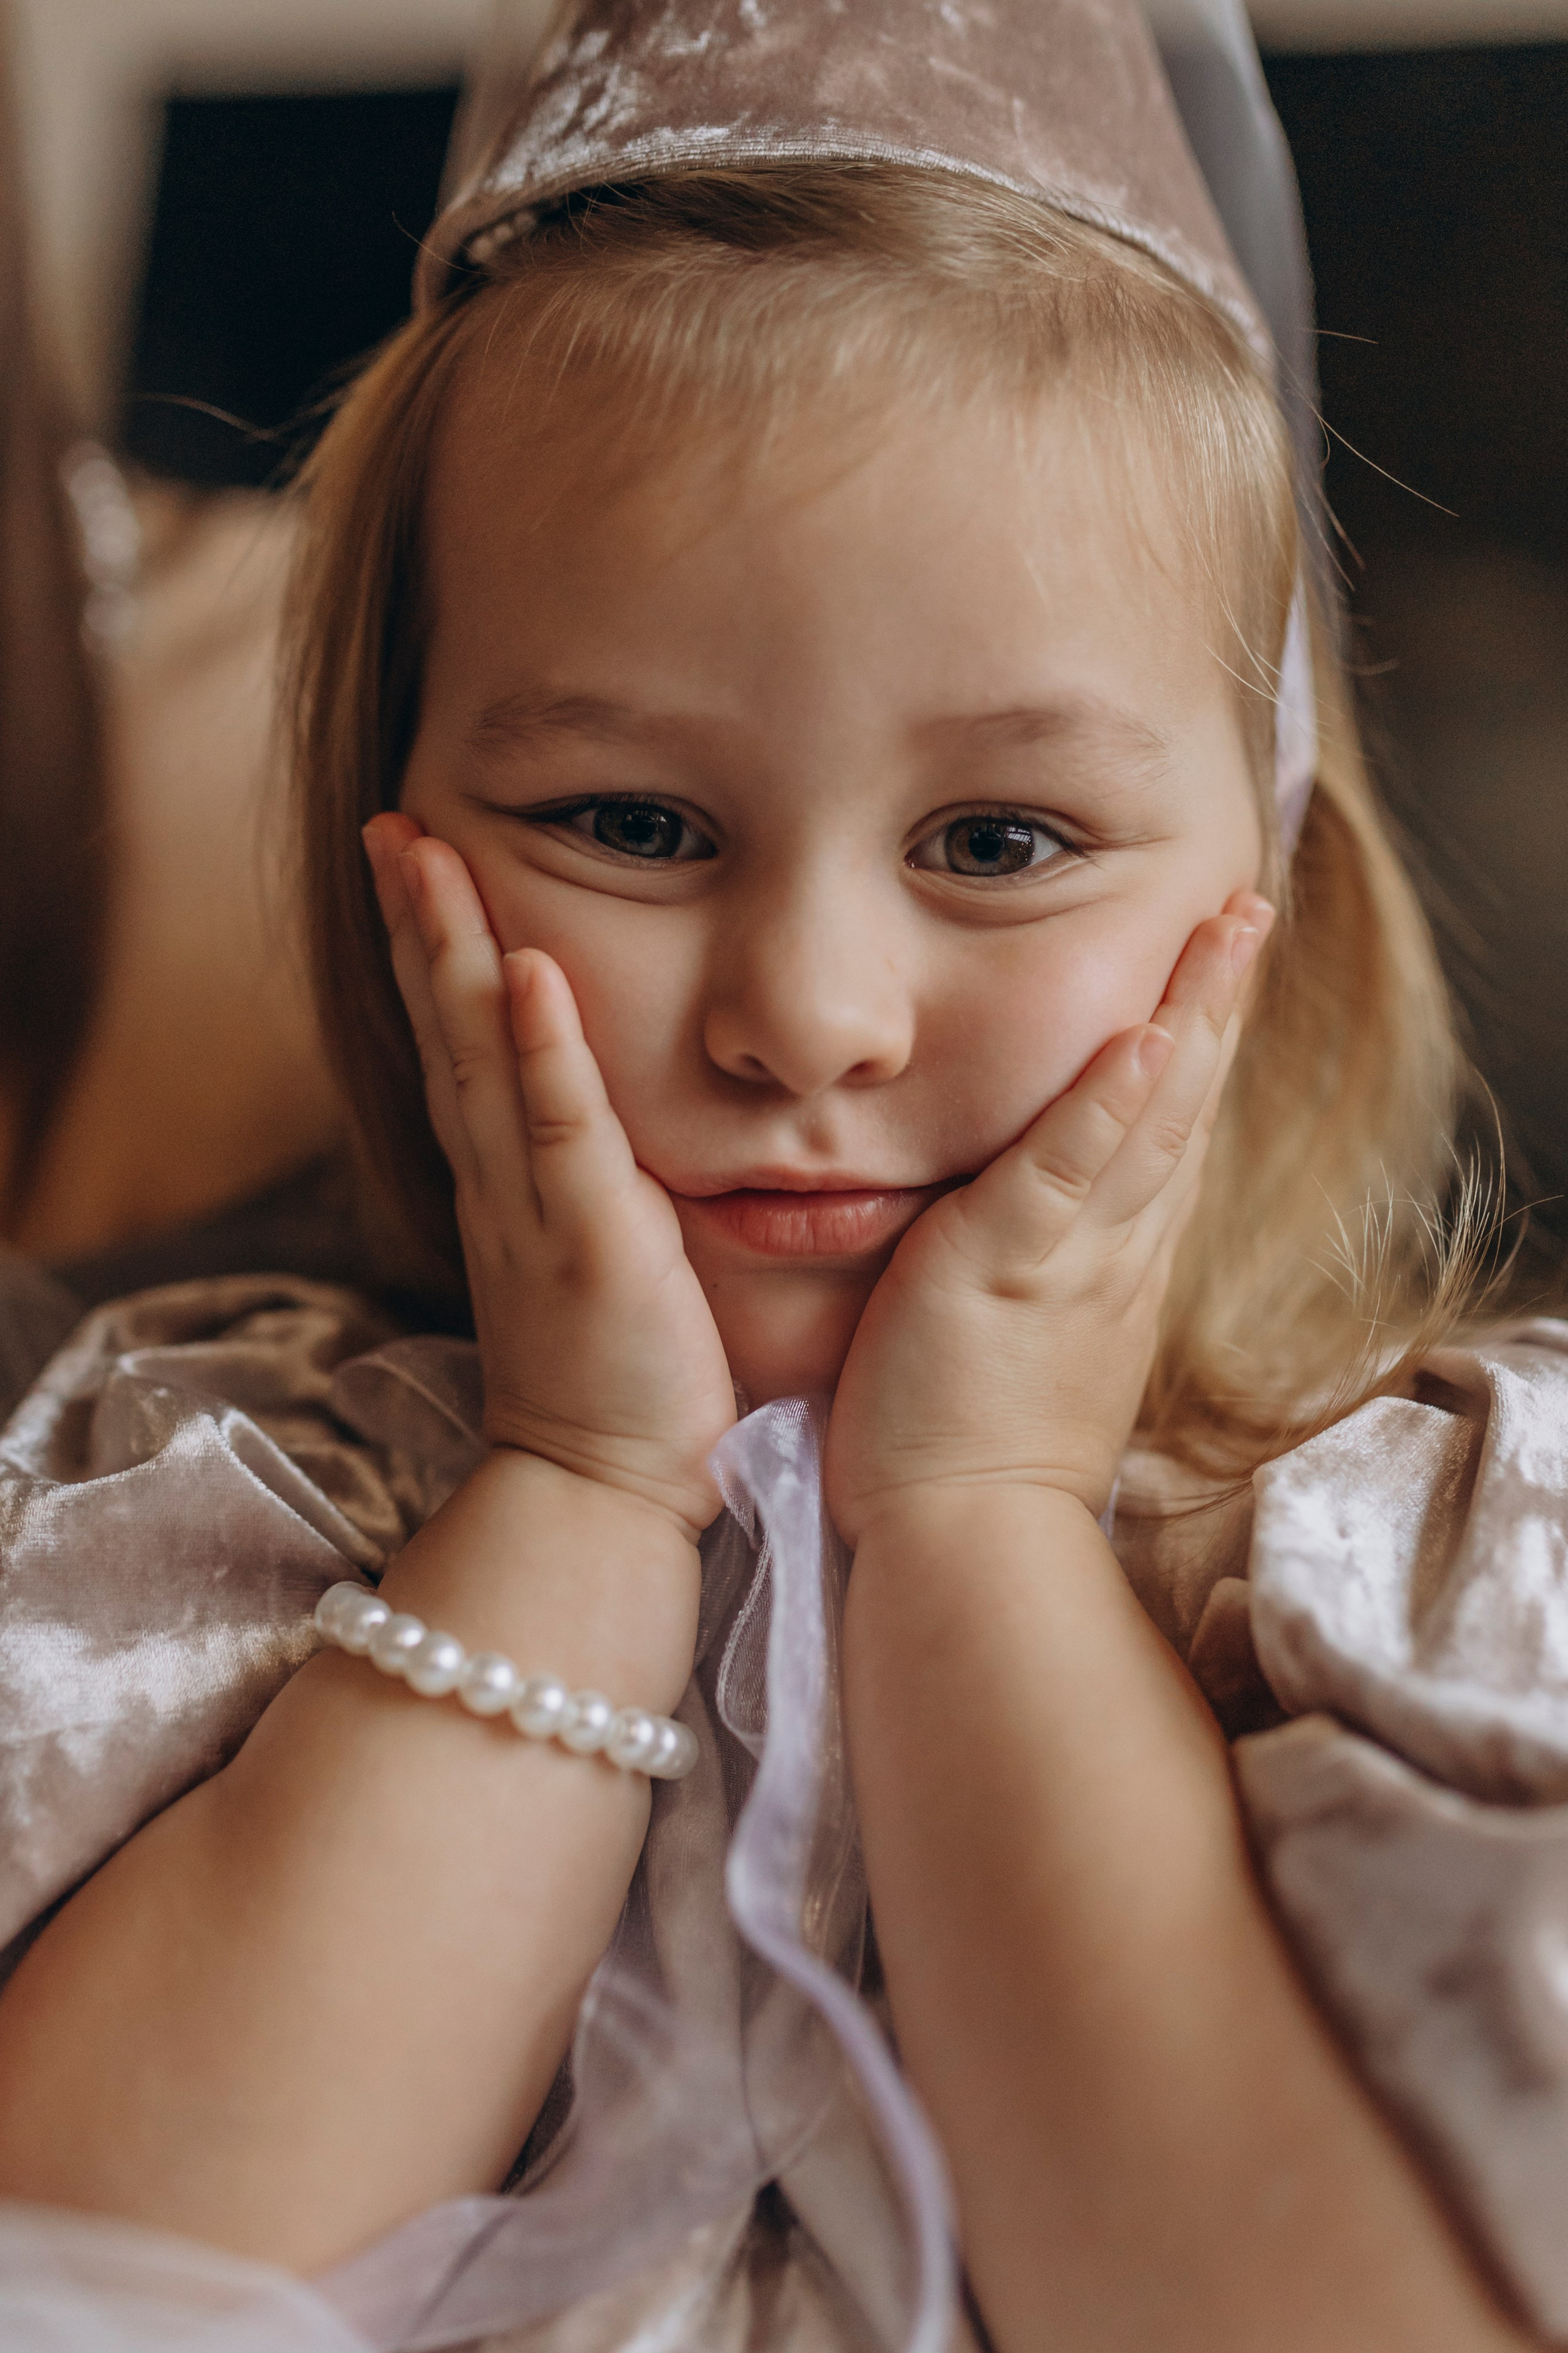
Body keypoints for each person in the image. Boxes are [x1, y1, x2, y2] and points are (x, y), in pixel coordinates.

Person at [0, 3, 1563, 2347]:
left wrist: (981, 1528)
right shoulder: (187, 1489)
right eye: (633, 821)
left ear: (1271, 899)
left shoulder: (1444, 1557)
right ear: (384, 849)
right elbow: (92, 2273)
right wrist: (575, 1491)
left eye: (1001, 840)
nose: (809, 1014)